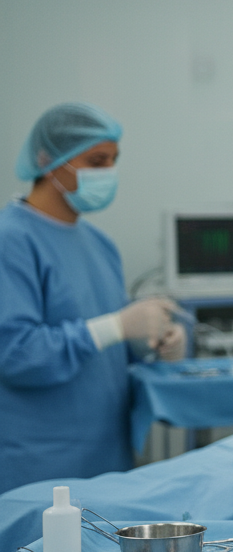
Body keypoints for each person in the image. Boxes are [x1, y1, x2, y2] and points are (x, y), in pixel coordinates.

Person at [0, 103, 185, 494]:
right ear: (49, 160)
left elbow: (107, 349)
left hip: (107, 457)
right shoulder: (11, 240)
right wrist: (116, 325)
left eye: (113, 160)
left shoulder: (100, 244)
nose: (108, 173)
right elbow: (16, 354)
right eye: (96, 160)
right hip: (39, 463)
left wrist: (152, 343)